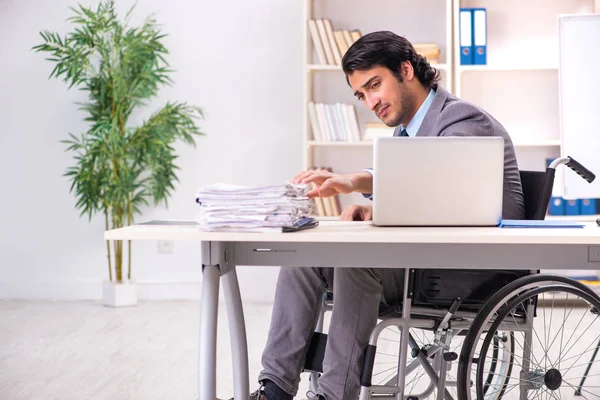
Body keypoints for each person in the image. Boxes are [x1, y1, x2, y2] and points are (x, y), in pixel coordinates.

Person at [246, 31, 525, 400]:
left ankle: (333, 395)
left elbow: (443, 189)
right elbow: (411, 179)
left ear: (406, 69)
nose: (370, 101)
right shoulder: (406, 133)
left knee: (357, 263)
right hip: (424, 258)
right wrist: (364, 196)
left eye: (374, 85)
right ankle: (275, 389)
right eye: (361, 94)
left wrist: (362, 189)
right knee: (305, 259)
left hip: (470, 267)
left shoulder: (461, 118)